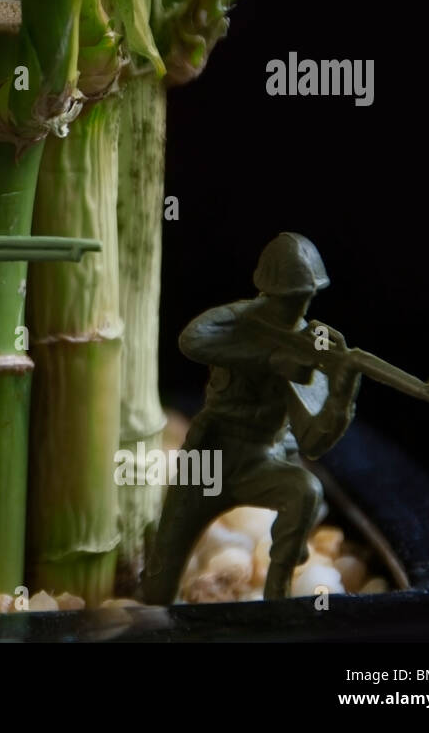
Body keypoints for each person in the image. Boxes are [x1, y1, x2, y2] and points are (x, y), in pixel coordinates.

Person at [140, 233, 362, 602]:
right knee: (167, 557)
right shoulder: (239, 320)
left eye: (305, 297)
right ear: (267, 291)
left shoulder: (312, 343)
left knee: (306, 490)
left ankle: (276, 593)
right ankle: (154, 610)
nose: (297, 307)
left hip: (264, 458)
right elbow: (191, 340)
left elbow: (314, 442)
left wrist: (340, 396)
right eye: (288, 297)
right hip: (211, 454)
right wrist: (270, 359)